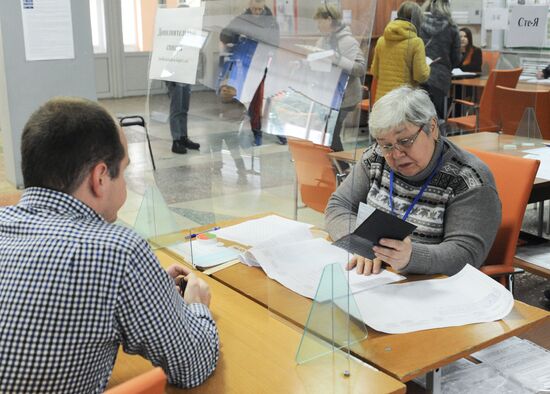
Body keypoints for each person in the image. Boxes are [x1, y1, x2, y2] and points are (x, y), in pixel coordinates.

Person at [0, 97, 219, 392]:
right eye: (124, 171)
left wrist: (148, 289)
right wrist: (194, 306)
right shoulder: (118, 252)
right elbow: (192, 364)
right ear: (100, 178)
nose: (126, 184)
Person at [325, 86, 501, 276]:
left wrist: (410, 257)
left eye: (406, 141)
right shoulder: (375, 158)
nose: (396, 154)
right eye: (386, 145)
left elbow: (466, 255)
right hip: (377, 279)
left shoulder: (468, 180)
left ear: (432, 128)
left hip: (432, 289)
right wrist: (363, 244)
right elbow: (337, 206)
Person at [220, 0, 282, 146]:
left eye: (259, 10)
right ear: (250, 4)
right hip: (245, 66)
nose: (256, 12)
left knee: (264, 101)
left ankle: (277, 132)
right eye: (254, 9)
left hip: (263, 66)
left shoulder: (271, 22)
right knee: (254, 101)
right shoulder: (242, 19)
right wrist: (236, 35)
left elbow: (275, 44)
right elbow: (224, 35)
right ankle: (258, 132)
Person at [313, 4, 367, 156]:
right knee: (327, 133)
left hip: (345, 97)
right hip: (328, 95)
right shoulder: (323, 41)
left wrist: (337, 59)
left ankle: (343, 168)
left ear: (329, 20)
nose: (317, 26)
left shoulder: (348, 41)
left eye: (319, 22)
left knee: (331, 133)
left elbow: (360, 68)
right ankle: (335, 167)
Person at [371, 1, 430, 101]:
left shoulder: (381, 41)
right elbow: (421, 76)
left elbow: (374, 71)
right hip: (403, 101)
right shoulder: (416, 42)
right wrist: (427, 66)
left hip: (383, 100)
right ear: (417, 19)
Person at [420, 0, 461, 119]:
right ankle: (437, 137)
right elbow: (456, 57)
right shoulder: (452, 27)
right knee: (437, 116)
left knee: (420, 116)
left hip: (420, 74)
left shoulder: (418, 24)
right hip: (441, 78)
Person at [167, 82, 201, 154]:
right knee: (176, 110)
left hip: (185, 78)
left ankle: (183, 138)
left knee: (184, 109)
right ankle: (176, 141)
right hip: (174, 78)